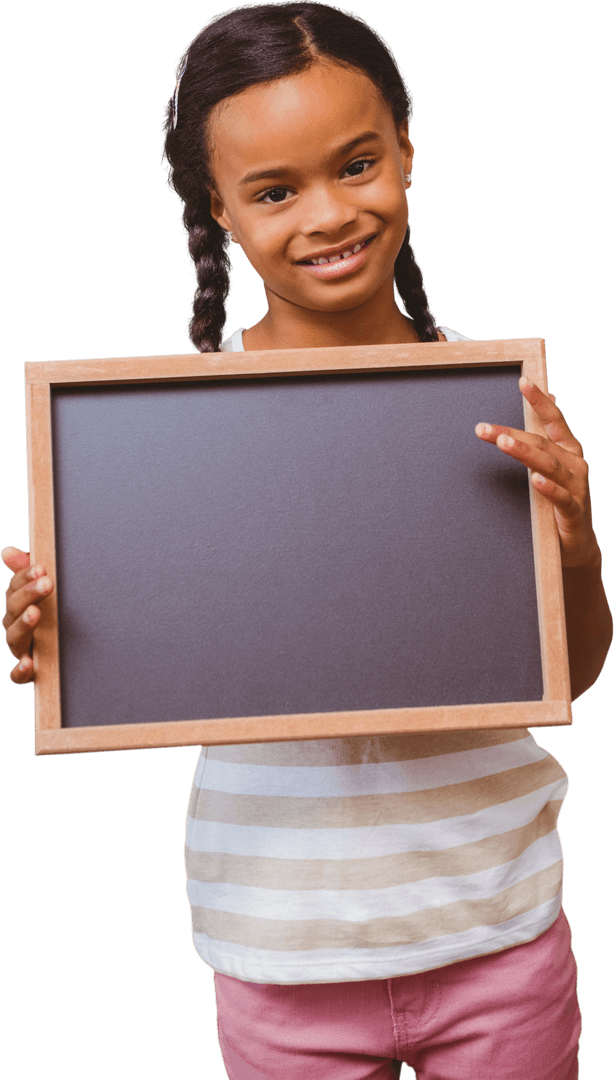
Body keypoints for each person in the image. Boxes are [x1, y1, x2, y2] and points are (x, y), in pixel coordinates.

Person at [2, 4, 612, 1077]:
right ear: (219, 213)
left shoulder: (495, 392)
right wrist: (66, 639)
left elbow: (572, 669)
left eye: (357, 164)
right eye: (275, 191)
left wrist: (575, 545)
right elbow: (145, 664)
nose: (327, 214)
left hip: (494, 926)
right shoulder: (160, 444)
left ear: (406, 152)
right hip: (278, 948)